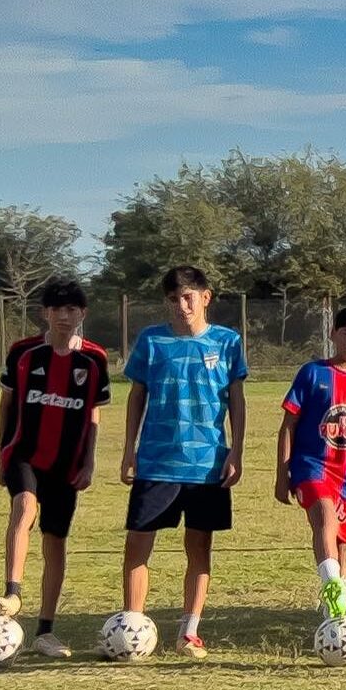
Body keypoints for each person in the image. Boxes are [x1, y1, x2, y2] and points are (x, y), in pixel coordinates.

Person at [119, 265, 247, 658]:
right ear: (166, 302)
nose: (181, 305)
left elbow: (236, 401)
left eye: (189, 296)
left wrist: (236, 451)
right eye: (173, 298)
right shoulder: (151, 341)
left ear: (205, 297)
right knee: (138, 546)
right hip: (156, 461)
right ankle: (131, 626)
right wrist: (129, 449)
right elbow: (137, 395)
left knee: (199, 548)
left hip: (207, 464)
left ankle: (189, 631)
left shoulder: (227, 342)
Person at [0, 277, 108, 657]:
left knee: (55, 540)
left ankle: (45, 631)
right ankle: (13, 593)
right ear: (45, 313)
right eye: (57, 309)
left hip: (66, 464)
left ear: (82, 314)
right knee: (24, 505)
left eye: (72, 309)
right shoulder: (23, 352)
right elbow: (5, 406)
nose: (64, 316)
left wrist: (89, 462)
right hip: (23, 453)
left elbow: (92, 414)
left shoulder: (95, 359)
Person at [275, 306, 346, 621]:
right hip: (312, 467)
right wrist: (281, 474)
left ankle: (335, 616)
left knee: (342, 543)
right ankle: (331, 585)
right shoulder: (313, 373)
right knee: (325, 518)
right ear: (333, 334)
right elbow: (289, 426)